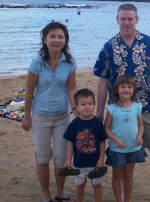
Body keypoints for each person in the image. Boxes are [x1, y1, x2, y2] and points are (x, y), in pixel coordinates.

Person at [94, 3, 150, 202]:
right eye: (122, 18)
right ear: (117, 20)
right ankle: (125, 194)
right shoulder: (108, 47)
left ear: (137, 19)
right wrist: (99, 112)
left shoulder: (149, 43)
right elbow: (102, 81)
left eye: (130, 18)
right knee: (123, 153)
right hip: (118, 110)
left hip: (147, 107)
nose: (126, 22)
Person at [21, 22, 77, 202]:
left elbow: (71, 89)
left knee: (61, 158)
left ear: (65, 40)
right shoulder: (37, 62)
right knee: (43, 157)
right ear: (45, 40)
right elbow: (29, 92)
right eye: (52, 36)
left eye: (60, 36)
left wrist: (75, 109)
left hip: (62, 117)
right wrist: (26, 117)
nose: (56, 40)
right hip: (40, 118)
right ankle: (46, 195)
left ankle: (60, 192)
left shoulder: (69, 62)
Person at [104, 74, 146, 202]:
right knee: (116, 177)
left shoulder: (137, 106)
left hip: (133, 148)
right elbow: (106, 128)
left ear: (133, 89)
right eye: (123, 87)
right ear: (117, 89)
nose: (126, 89)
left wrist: (140, 137)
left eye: (129, 87)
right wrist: (116, 140)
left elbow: (140, 125)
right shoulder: (112, 108)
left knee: (129, 176)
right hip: (117, 149)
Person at [63, 88, 107, 202]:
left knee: (97, 185)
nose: (87, 107)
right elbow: (70, 142)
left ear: (94, 105)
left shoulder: (97, 123)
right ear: (76, 107)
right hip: (79, 163)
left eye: (90, 104)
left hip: (95, 163)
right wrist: (68, 160)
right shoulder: (74, 124)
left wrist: (101, 158)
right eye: (83, 104)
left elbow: (103, 141)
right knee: (80, 186)